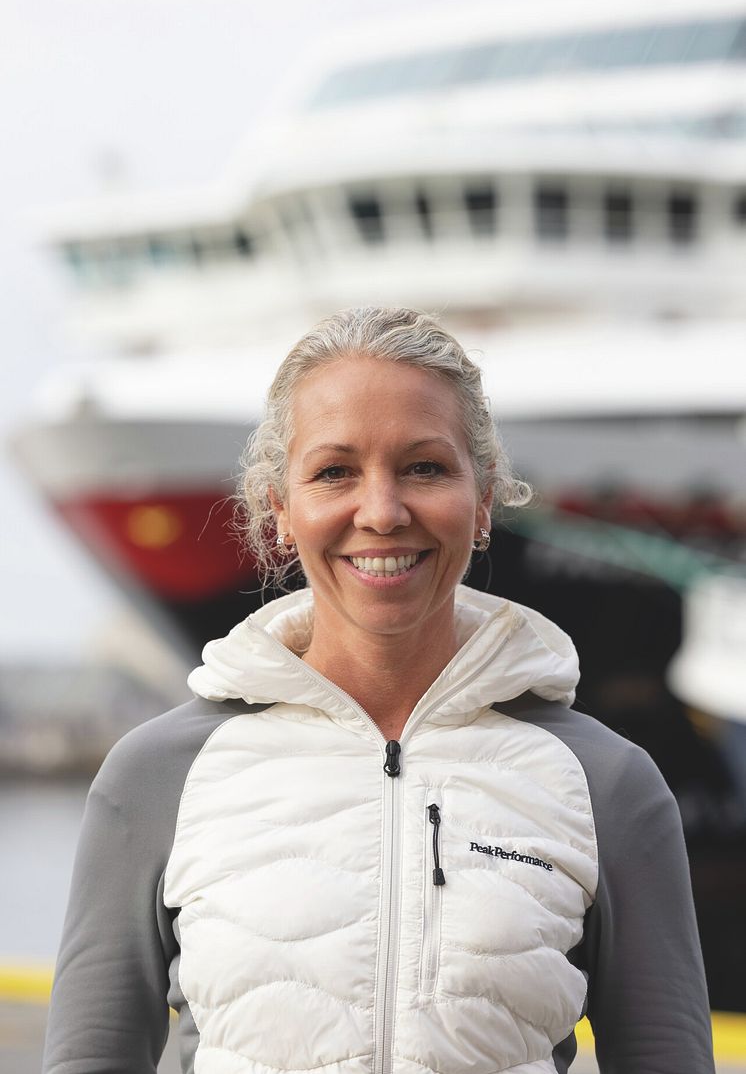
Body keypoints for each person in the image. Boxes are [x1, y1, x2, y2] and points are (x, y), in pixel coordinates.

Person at [43, 307, 715, 1074]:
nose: (383, 511)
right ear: (281, 513)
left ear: (485, 499)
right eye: (334, 472)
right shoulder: (158, 776)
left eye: (425, 468)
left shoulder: (607, 784)